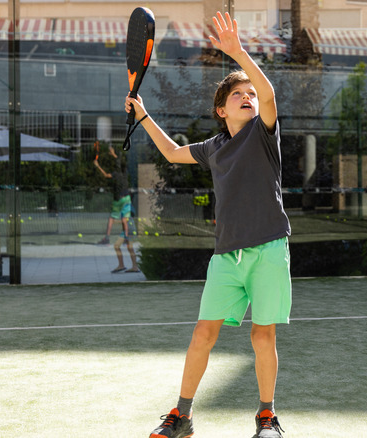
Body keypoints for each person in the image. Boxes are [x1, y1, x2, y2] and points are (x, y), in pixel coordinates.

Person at [126, 11, 291, 438]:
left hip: (269, 248)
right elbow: (172, 153)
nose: (249, 96)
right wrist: (143, 116)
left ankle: (267, 417)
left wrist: (239, 53)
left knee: (262, 336)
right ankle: (182, 416)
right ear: (222, 109)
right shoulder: (214, 147)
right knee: (202, 334)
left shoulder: (263, 134)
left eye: (250, 93)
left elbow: (271, 95)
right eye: (239, 93)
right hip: (226, 257)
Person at [93, 147, 139, 273]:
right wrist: (114, 155)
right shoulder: (122, 174)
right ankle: (126, 266)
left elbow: (107, 174)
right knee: (122, 246)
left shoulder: (117, 174)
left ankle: (131, 265)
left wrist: (98, 165)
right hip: (126, 223)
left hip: (127, 226)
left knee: (125, 245)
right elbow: (119, 162)